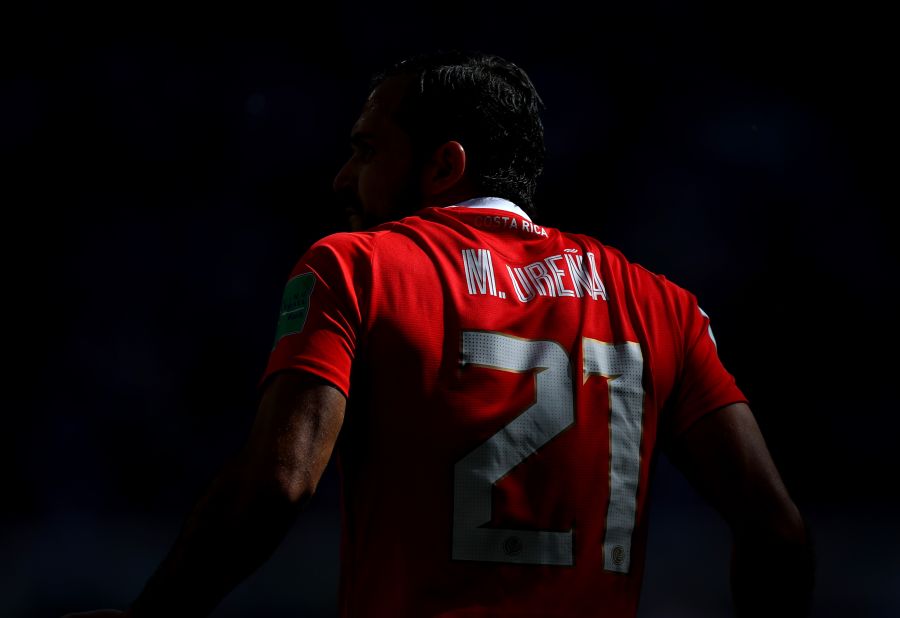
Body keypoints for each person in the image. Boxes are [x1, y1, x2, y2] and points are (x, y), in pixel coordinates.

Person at [66, 50, 813, 618]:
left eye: (364, 150)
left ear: (443, 164)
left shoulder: (356, 266)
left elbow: (277, 483)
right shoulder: (662, 304)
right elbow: (776, 533)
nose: (339, 178)